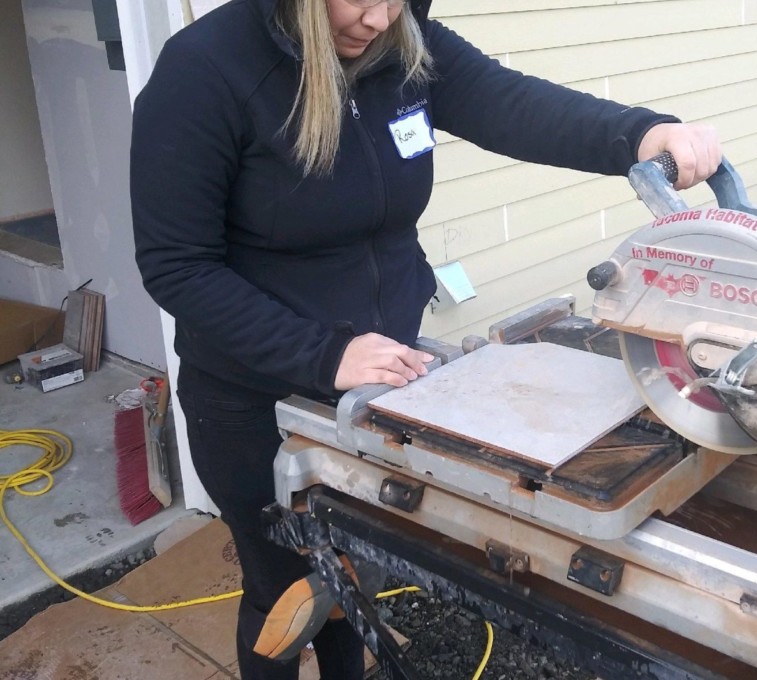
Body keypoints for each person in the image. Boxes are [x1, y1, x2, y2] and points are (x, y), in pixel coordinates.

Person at [130, 0, 721, 677]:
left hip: (381, 381)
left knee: (349, 581)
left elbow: (513, 104)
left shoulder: (402, 45)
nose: (380, 19)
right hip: (252, 398)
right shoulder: (204, 70)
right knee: (286, 594)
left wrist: (640, 136)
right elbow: (177, 266)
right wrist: (324, 354)